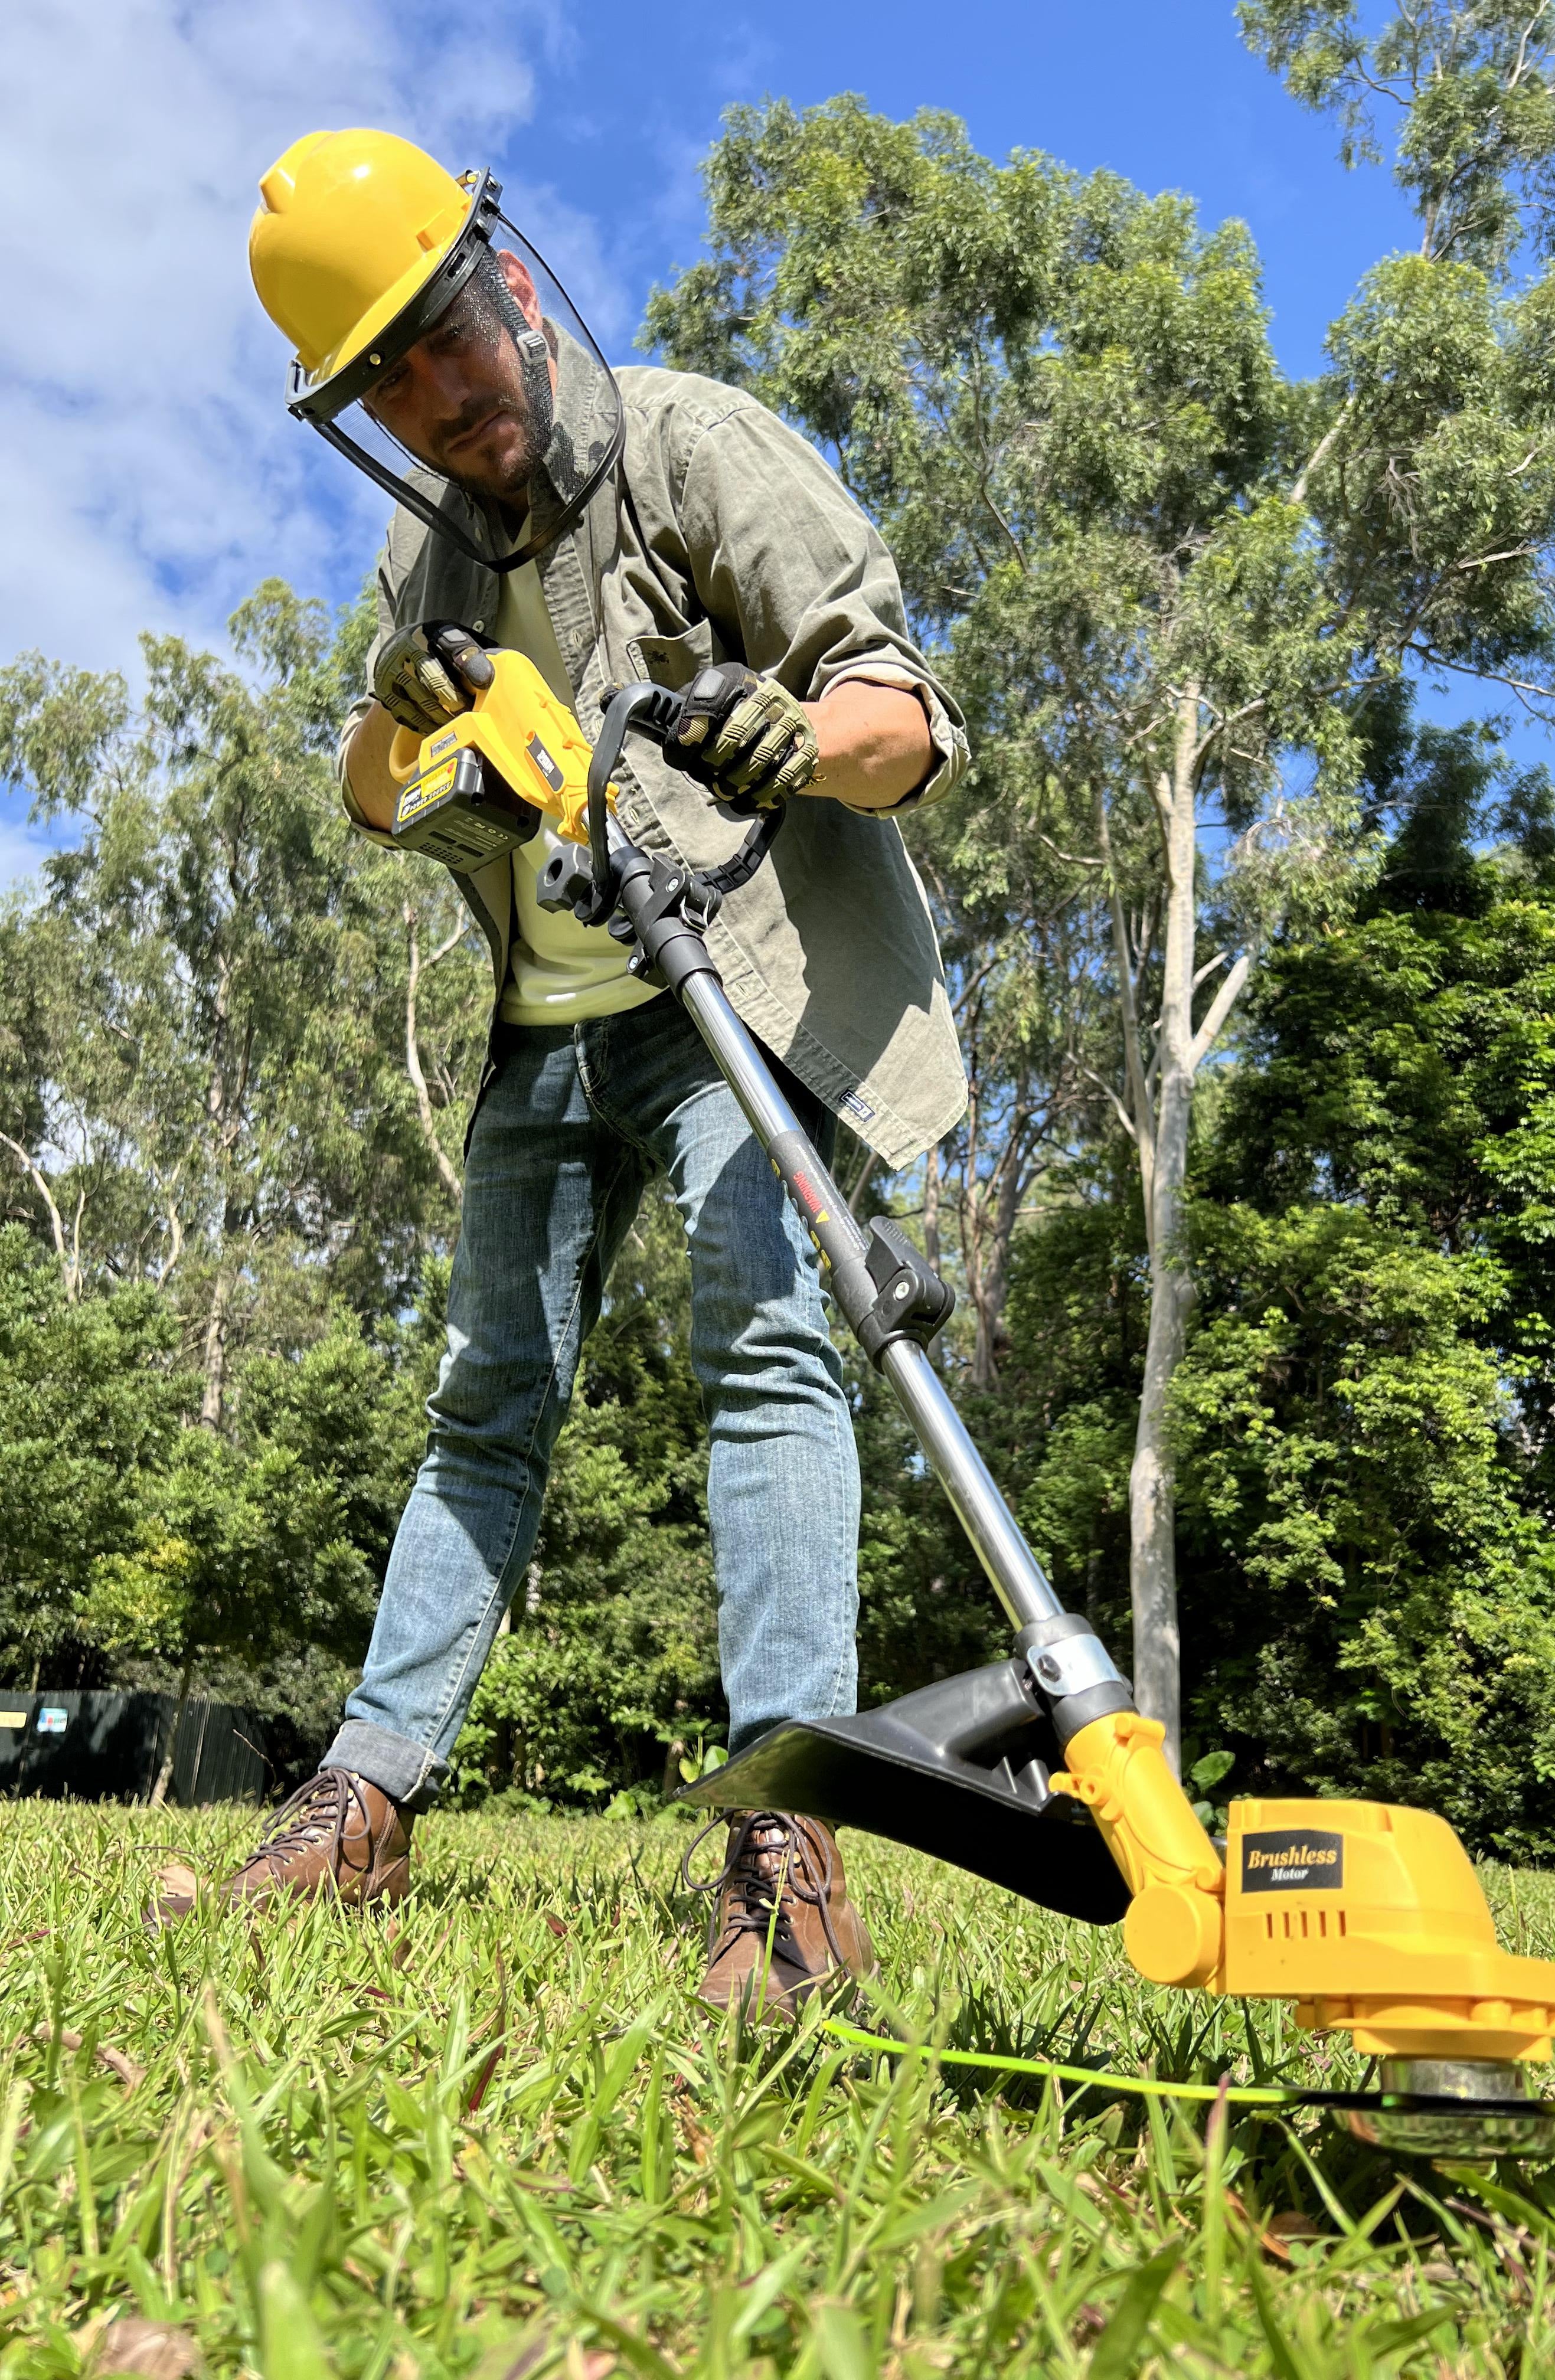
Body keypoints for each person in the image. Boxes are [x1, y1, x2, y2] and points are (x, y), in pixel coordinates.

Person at [156, 129, 969, 2015]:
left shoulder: (695, 446)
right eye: (388, 382)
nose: (438, 400)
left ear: (510, 286)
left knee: (770, 1355)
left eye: (444, 341)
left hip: (735, 1000)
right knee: (482, 1407)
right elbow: (380, 782)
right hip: (546, 1027)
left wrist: (794, 734)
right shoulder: (417, 542)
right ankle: (360, 1804)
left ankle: (789, 1845)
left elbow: (902, 711)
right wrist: (408, 738)